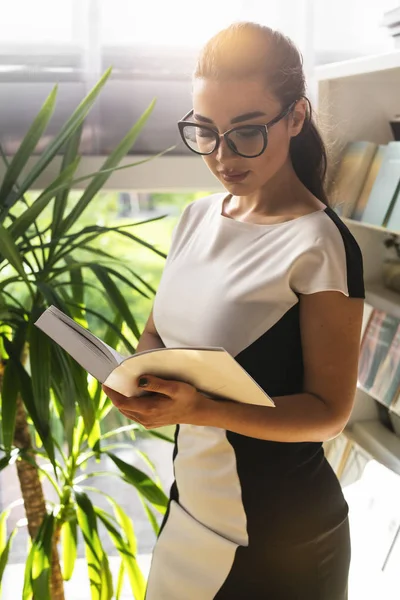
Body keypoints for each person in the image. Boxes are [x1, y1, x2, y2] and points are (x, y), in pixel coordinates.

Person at [103, 22, 364, 600]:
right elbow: (157, 335)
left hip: (282, 540)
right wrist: (138, 380)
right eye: (205, 131)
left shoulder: (319, 244)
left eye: (247, 132)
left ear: (296, 118)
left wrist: (203, 409)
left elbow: (329, 414)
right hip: (192, 512)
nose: (222, 156)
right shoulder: (197, 217)